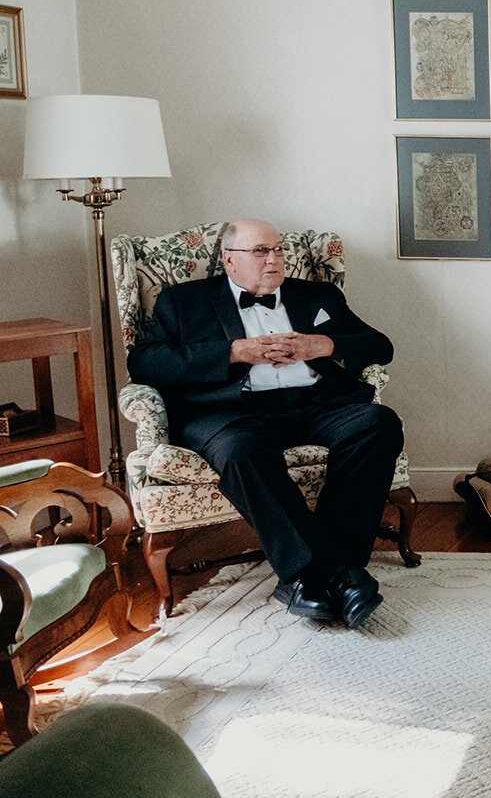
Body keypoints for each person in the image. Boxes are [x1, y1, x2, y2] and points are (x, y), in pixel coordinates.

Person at [127, 219, 403, 629]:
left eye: (278, 250)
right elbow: (144, 363)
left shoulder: (318, 296)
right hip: (232, 413)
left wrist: (323, 344)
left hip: (316, 404)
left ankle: (317, 575)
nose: (274, 259)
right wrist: (233, 352)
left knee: (378, 423)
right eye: (260, 251)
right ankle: (336, 575)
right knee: (240, 452)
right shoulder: (183, 302)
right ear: (229, 259)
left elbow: (381, 346)